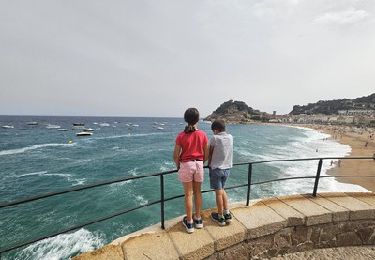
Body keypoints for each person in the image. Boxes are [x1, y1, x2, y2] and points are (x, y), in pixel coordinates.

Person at [173, 108, 208, 233]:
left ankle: (189, 222)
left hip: (186, 165)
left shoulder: (181, 135)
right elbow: (206, 153)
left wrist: (178, 166)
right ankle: (198, 219)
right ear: (198, 119)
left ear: (185, 119)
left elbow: (176, 155)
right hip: (198, 164)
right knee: (198, 192)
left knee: (188, 194)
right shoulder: (203, 134)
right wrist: (201, 163)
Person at [208, 119, 233, 226]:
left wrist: (208, 163)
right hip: (227, 168)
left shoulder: (215, 138)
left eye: (213, 130)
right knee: (222, 190)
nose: (213, 133)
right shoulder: (230, 137)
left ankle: (220, 217)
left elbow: (210, 152)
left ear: (216, 130)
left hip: (217, 169)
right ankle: (227, 213)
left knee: (218, 192)